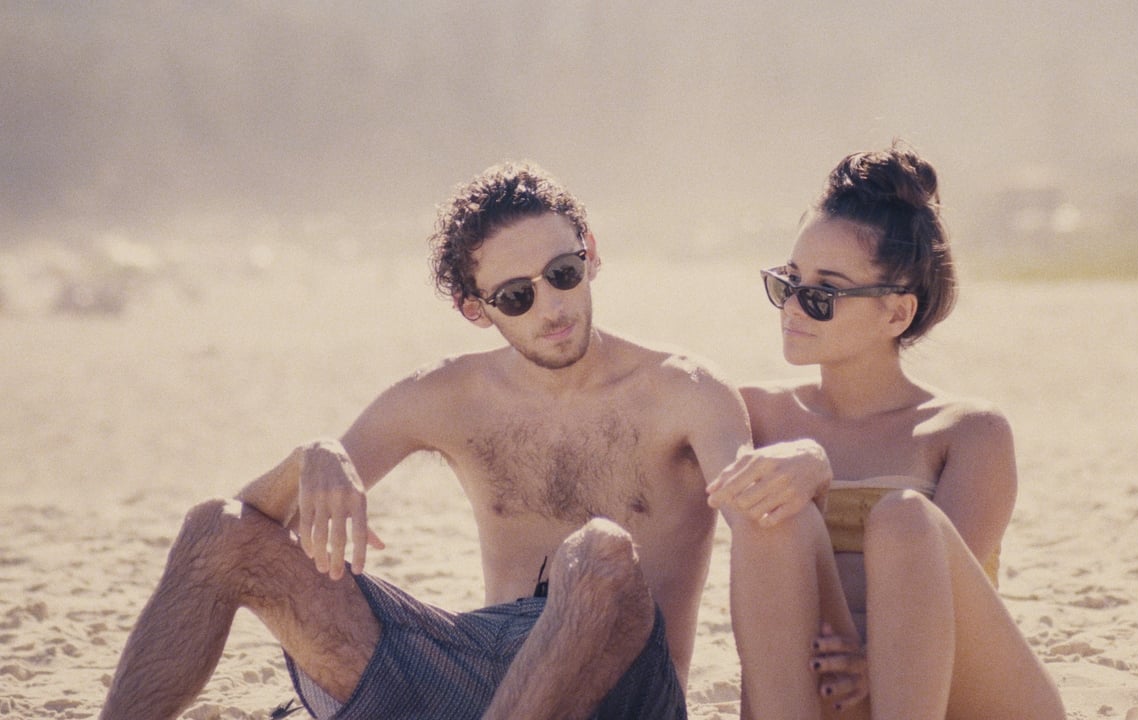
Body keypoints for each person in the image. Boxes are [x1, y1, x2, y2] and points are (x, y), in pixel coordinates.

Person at [100, 161, 750, 720]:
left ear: (592, 254)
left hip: (621, 687)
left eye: (563, 272)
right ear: (475, 309)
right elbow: (246, 537)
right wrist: (310, 459)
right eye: (516, 296)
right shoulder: (446, 396)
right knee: (215, 528)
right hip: (477, 676)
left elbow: (762, 527)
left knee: (599, 550)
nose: (552, 307)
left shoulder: (686, 392)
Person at [706, 144, 1066, 719]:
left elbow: (940, 608)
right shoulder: (756, 415)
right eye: (788, 282)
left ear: (896, 314)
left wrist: (874, 658)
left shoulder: (967, 432)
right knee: (774, 513)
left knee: (905, 519)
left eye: (822, 294)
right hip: (823, 693)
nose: (793, 307)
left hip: (950, 695)